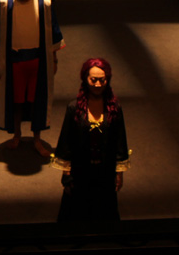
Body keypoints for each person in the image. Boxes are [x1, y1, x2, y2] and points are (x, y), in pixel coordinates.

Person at [0, 0, 65, 156]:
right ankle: (17, 135)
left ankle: (37, 139)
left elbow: (53, 32)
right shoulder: (6, 5)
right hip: (15, 62)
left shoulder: (44, 4)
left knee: (37, 101)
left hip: (37, 61)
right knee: (17, 102)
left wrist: (54, 59)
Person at [53, 57, 130, 226]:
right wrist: (66, 175)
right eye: (93, 80)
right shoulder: (74, 108)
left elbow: (120, 141)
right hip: (80, 171)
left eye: (102, 80)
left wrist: (119, 173)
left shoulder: (114, 109)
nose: (97, 84)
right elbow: (66, 141)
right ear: (85, 79)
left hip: (105, 171)